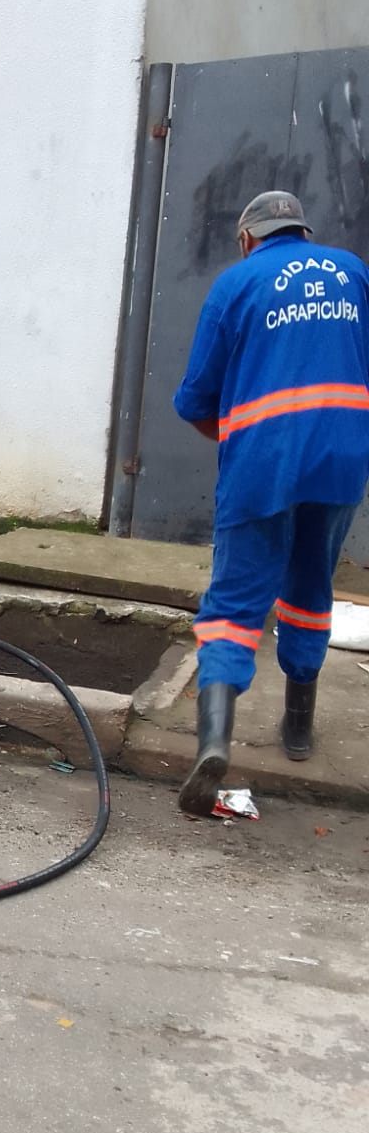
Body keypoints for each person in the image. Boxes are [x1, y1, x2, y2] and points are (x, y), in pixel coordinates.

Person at [173, 189, 369, 817]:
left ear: (247, 237)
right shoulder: (354, 273)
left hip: (263, 462)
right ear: (303, 232)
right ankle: (299, 729)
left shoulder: (238, 283)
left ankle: (213, 742)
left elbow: (195, 401)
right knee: (311, 585)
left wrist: (243, 439)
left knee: (234, 601)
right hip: (342, 454)